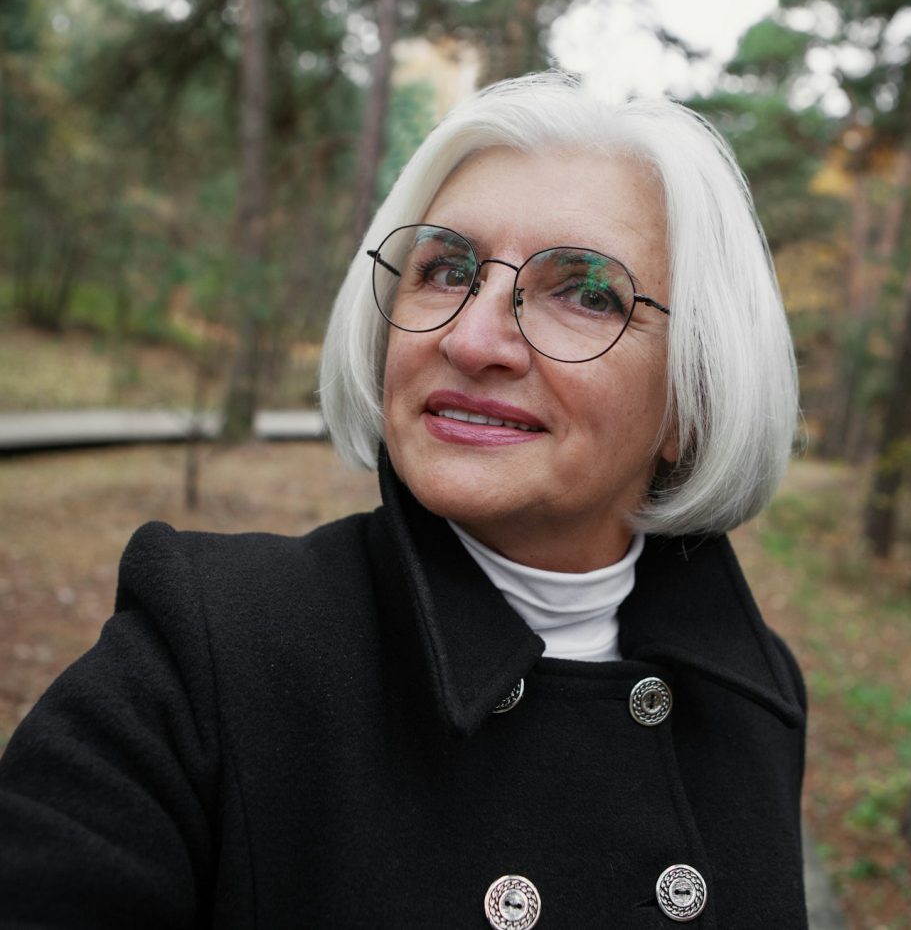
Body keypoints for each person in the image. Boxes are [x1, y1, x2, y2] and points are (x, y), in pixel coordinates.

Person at [0, 72, 805, 928]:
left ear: (691, 400)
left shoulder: (755, 697)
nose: (472, 338)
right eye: (447, 269)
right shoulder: (207, 647)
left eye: (585, 292)